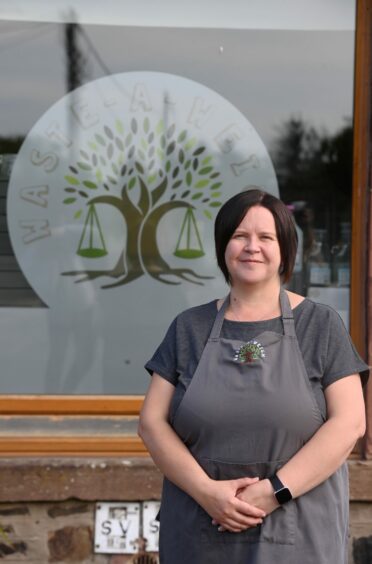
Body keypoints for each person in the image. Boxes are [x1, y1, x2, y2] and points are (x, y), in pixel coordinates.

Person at [139, 188, 369, 564]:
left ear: (285, 250)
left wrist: (274, 491)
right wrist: (207, 493)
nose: (252, 247)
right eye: (239, 236)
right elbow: (151, 423)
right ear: (223, 246)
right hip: (200, 531)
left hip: (300, 536)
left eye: (266, 237)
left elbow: (349, 424)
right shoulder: (188, 328)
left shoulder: (321, 325)